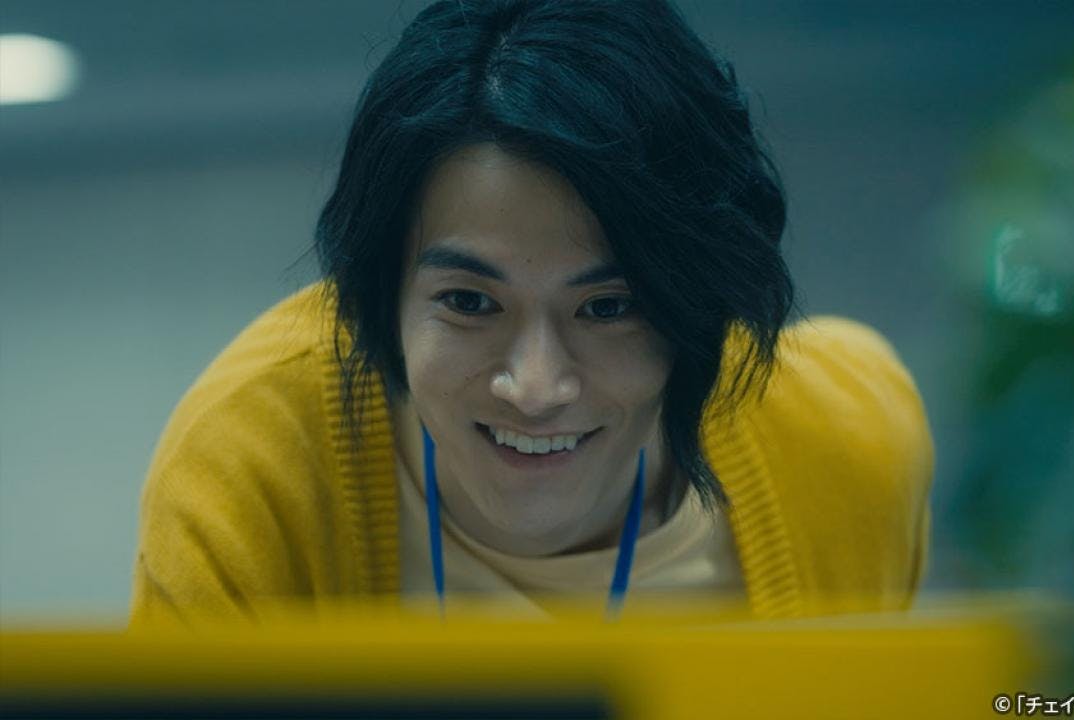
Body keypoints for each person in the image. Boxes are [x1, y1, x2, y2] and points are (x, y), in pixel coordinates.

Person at [130, 0, 933, 624]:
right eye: (469, 302)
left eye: (608, 307)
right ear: (379, 296)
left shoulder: (841, 444)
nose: (536, 387)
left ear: (698, 304)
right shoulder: (251, 467)